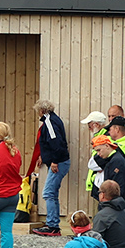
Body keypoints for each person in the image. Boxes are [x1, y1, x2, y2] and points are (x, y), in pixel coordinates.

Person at [29, 100, 70, 237]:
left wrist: (54, 161)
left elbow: (56, 142)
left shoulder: (49, 122)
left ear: (41, 111)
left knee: (48, 193)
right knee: (52, 193)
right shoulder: (53, 120)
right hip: (58, 160)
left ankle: (52, 225)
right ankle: (53, 224)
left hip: (59, 162)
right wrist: (44, 156)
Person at [90, 135, 125, 204]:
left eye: (99, 150)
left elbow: (117, 188)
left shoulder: (117, 161)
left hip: (115, 206)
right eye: (96, 151)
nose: (98, 154)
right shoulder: (113, 159)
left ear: (107, 146)